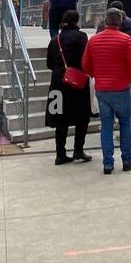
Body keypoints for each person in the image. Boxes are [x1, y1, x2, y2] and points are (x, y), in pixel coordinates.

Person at [82, 7, 131, 174]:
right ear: (120, 21)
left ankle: (108, 164)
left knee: (106, 126)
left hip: (102, 90)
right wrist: (129, 77)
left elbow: (85, 64)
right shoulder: (125, 39)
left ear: (104, 20)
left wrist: (96, 75)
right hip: (121, 88)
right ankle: (127, 159)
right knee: (125, 124)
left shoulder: (93, 40)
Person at [45, 10, 93, 166]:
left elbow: (49, 64)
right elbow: (87, 59)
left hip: (58, 82)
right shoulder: (82, 37)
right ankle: (78, 150)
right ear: (76, 21)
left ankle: (60, 154)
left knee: (60, 119)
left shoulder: (55, 40)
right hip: (77, 81)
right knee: (82, 116)